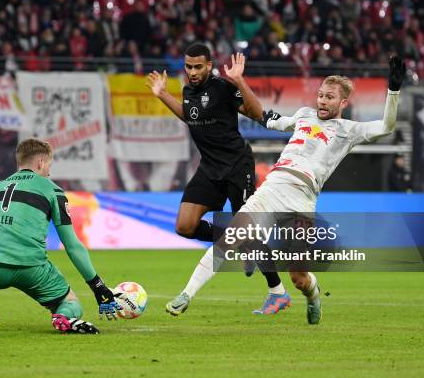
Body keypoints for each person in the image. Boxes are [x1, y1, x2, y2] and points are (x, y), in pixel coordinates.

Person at [166, 56, 406, 324]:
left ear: (343, 103)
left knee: (298, 276)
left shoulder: (349, 131)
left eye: (329, 97)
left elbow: (387, 126)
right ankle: (186, 295)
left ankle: (313, 295)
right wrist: (239, 82)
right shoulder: (304, 115)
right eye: (321, 95)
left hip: (302, 199)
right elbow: (268, 120)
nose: (323, 101)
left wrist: (393, 90)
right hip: (273, 187)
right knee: (231, 237)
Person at [146, 42, 289, 316]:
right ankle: (240, 244)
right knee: (185, 226)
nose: (193, 72)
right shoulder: (188, 90)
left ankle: (278, 292)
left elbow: (257, 113)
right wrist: (163, 94)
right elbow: (190, 116)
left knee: (248, 231)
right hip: (210, 168)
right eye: (188, 67)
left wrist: (239, 80)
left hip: (237, 166)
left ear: (209, 66)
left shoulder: (223, 88)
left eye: (198, 66)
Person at [0, 138, 122, 334]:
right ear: (40, 162)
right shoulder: (53, 190)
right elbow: (72, 245)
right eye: (49, 165)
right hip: (30, 270)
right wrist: (98, 287)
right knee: (71, 303)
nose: (49, 171)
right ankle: (62, 317)